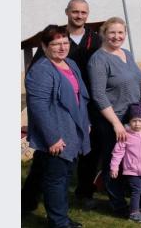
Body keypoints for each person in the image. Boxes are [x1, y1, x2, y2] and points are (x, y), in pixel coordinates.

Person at [23, 0, 103, 212]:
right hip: (57, 108)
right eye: (75, 11)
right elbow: (37, 81)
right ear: (67, 12)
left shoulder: (95, 39)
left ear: (88, 14)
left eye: (83, 12)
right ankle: (30, 199)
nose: (79, 15)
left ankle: (84, 191)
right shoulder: (56, 37)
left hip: (86, 103)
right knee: (48, 158)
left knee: (87, 152)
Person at [25, 24, 91, 228]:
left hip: (72, 127)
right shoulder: (42, 71)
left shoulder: (70, 64)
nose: (62, 47)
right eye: (56, 44)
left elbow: (81, 97)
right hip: (57, 133)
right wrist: (52, 137)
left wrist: (85, 121)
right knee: (58, 179)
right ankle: (59, 221)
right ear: (45, 46)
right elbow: (39, 108)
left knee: (42, 169)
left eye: (65, 42)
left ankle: (25, 202)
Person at [88, 17, 141, 217]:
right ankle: (117, 204)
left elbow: (135, 81)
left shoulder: (126, 54)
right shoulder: (99, 59)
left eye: (120, 32)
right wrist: (116, 124)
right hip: (112, 119)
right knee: (113, 161)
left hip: (132, 119)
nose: (117, 36)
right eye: (112, 32)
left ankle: (134, 199)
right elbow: (98, 94)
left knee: (131, 160)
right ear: (104, 33)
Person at [110, 102, 141, 223]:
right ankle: (134, 212)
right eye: (134, 120)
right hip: (131, 170)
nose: (137, 124)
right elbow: (118, 152)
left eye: (140, 121)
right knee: (137, 190)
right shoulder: (125, 134)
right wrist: (114, 167)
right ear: (130, 121)